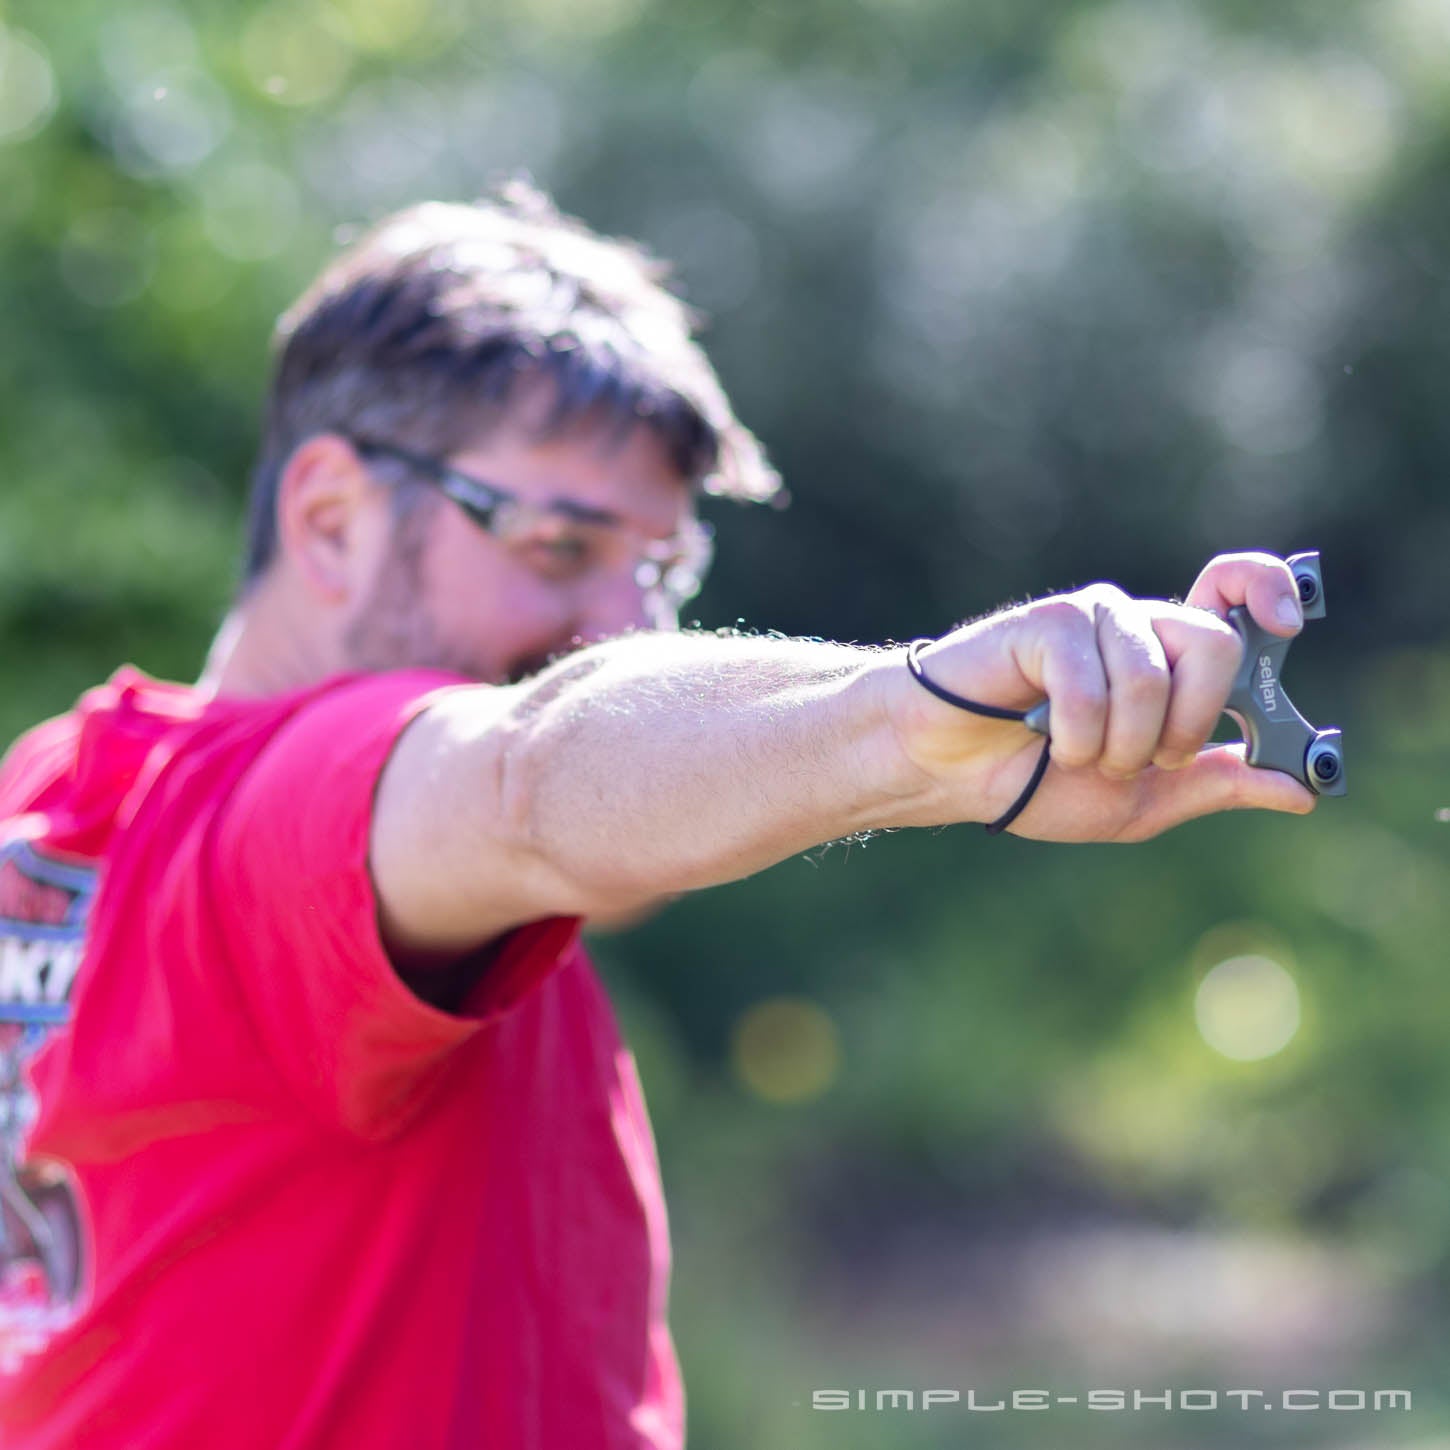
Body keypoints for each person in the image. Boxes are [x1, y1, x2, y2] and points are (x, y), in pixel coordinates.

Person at [0, 182, 1314, 1449]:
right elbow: (525, 780)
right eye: (558, 547)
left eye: (662, 572)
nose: (626, 631)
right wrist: (915, 727)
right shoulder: (287, 811)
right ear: (332, 520)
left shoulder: (49, 808)